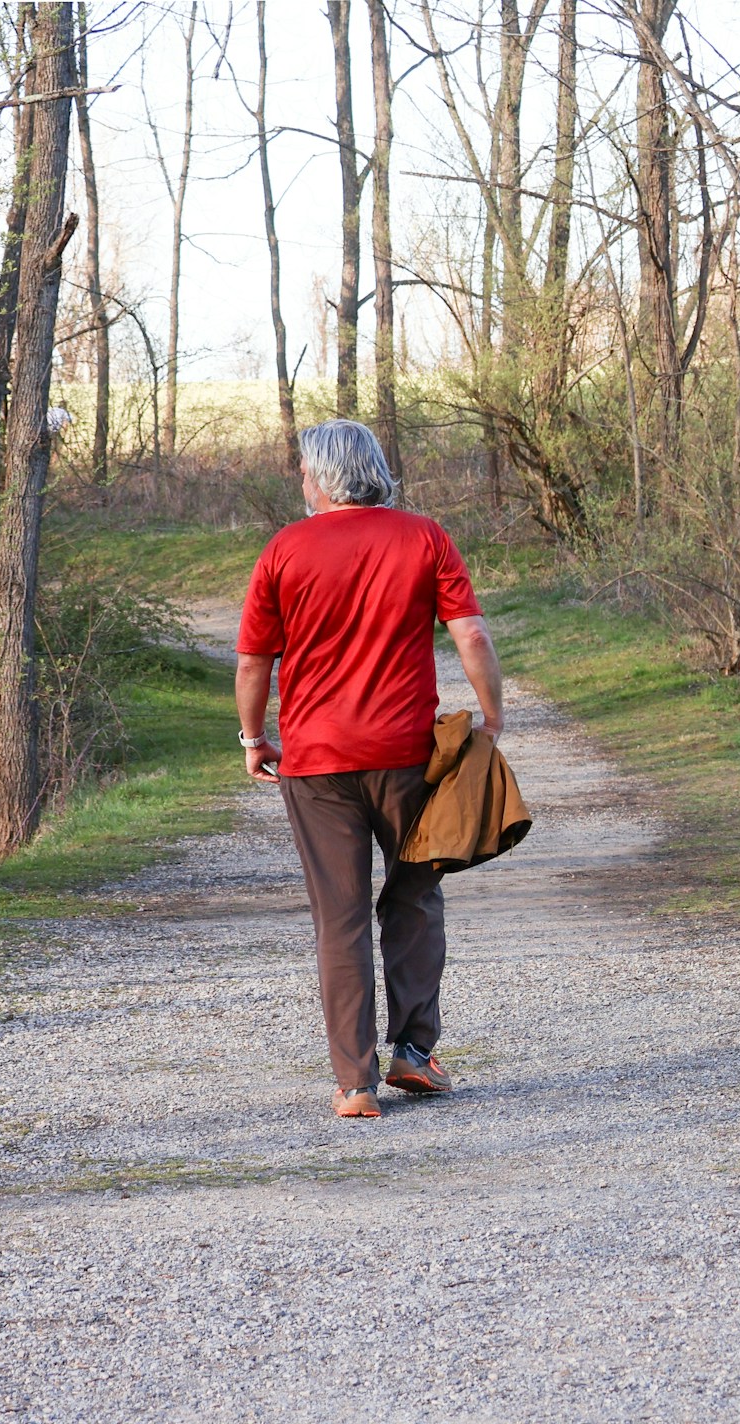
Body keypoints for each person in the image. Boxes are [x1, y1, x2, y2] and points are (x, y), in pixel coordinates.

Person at [234, 419, 504, 1119]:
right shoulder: (423, 537)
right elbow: (470, 631)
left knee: (341, 916)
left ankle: (354, 1084)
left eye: (302, 471)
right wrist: (491, 716)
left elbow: (253, 661)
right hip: (407, 756)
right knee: (413, 897)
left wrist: (254, 737)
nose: (301, 481)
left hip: (317, 763)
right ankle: (414, 1054)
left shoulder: (284, 550)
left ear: (321, 478)